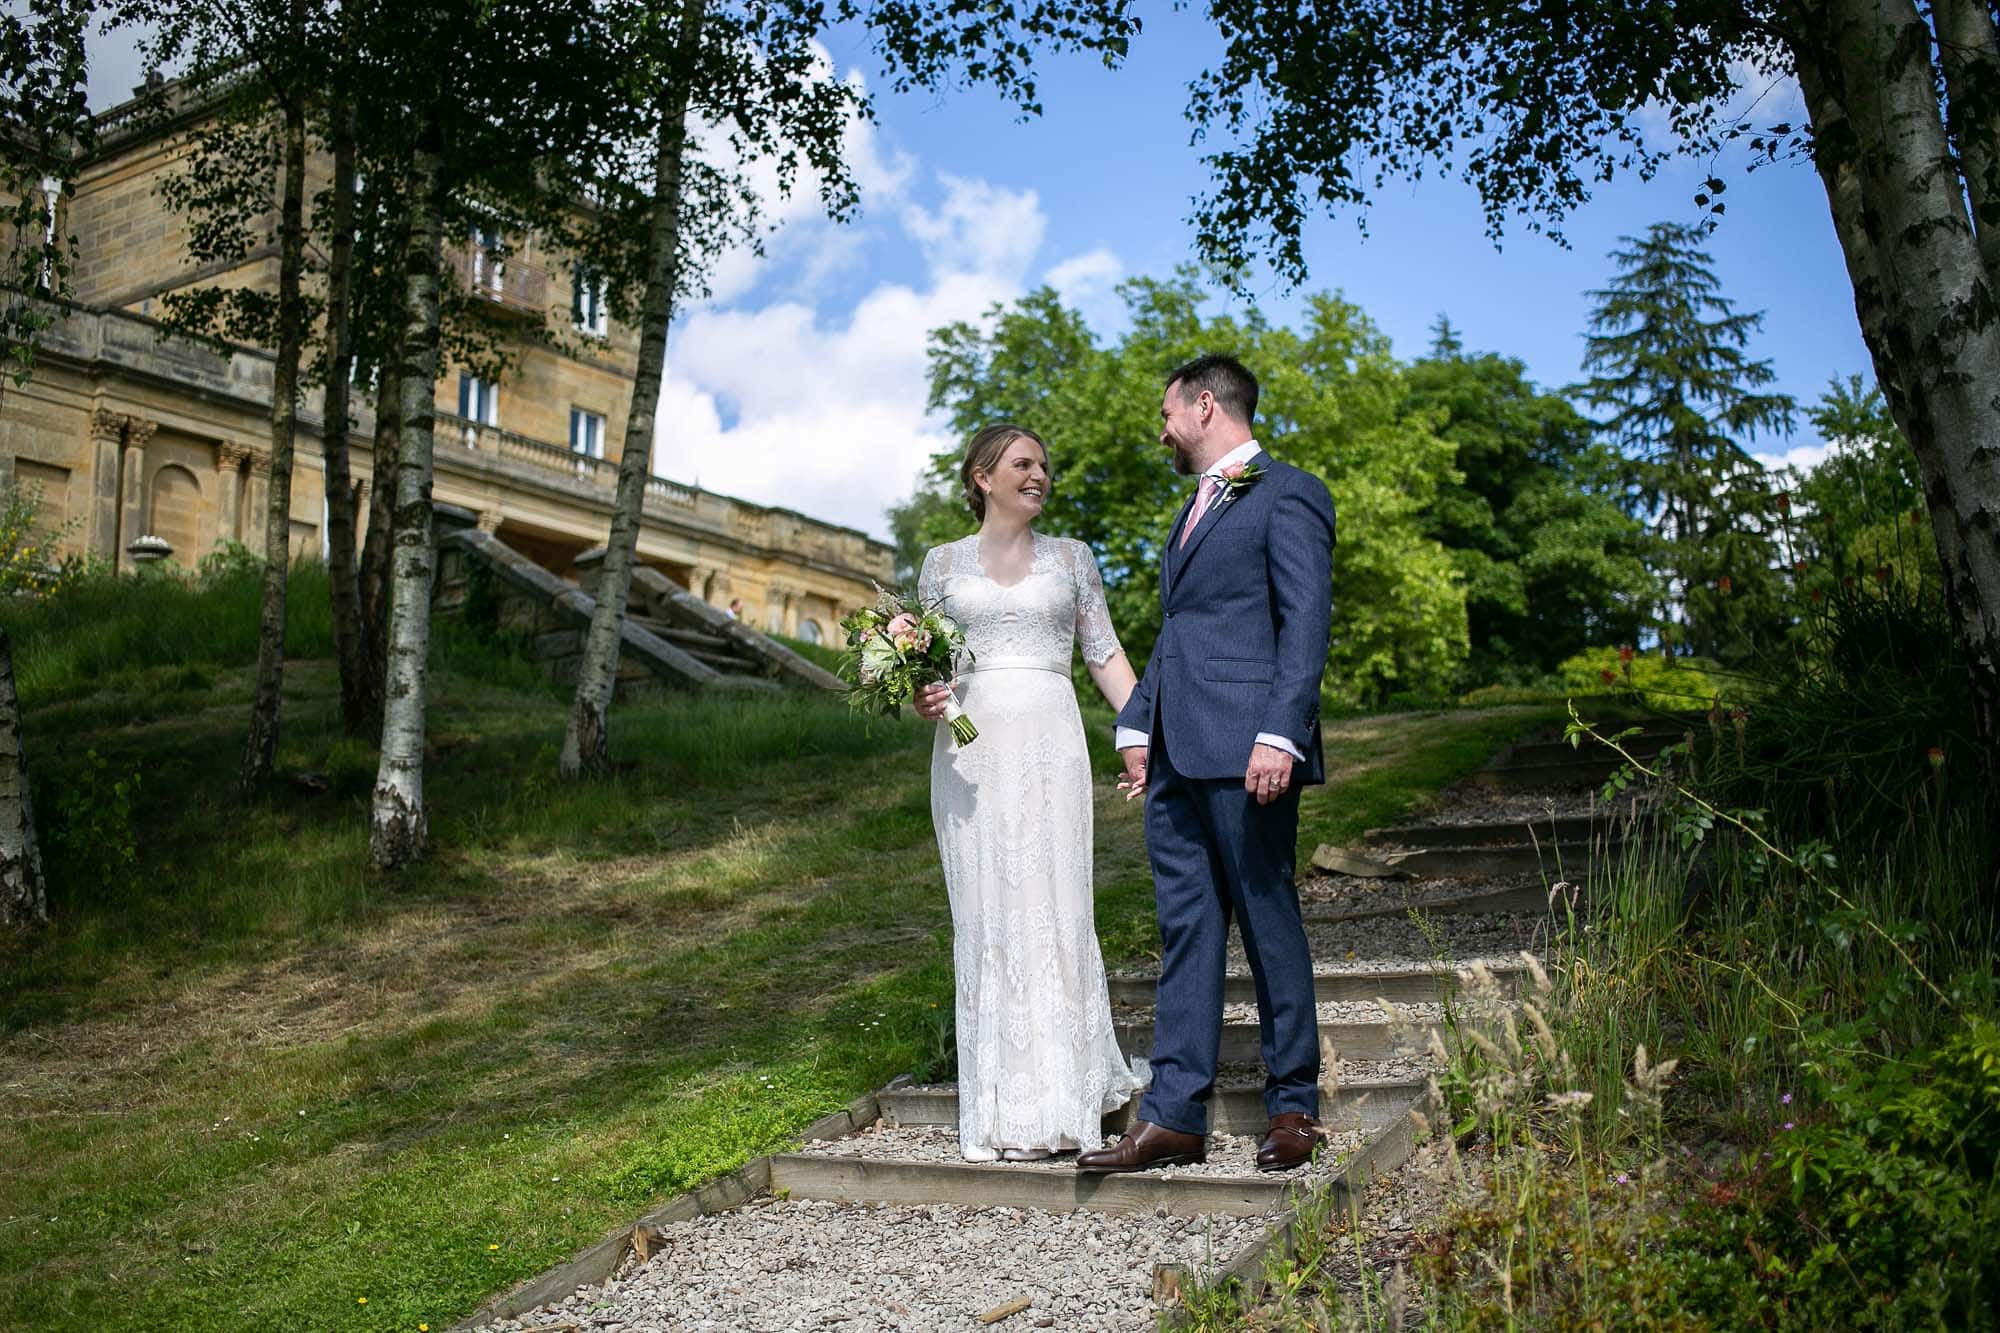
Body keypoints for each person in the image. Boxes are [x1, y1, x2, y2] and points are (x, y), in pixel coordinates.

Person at [1076, 354, 1337, 1176]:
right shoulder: (1189, 512)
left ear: (1203, 404)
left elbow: (1304, 625)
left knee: (1266, 918)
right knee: (1185, 929)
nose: (1161, 431)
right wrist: (1136, 719)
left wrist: (1280, 733)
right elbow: (1185, 630)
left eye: (1167, 415)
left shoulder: (1289, 492)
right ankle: (1174, 1114)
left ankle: (1293, 1102)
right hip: (1179, 758)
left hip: (1250, 748)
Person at [912, 423, 1145, 1162]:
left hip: (1052, 743)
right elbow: (927, 667)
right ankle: (1002, 1108)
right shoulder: (940, 563)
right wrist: (923, 695)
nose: (1039, 473)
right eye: (1023, 462)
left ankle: (1066, 1098)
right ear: (982, 476)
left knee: (1056, 904)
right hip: (971, 755)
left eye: (1044, 463)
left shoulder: (1073, 560)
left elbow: (1103, 653)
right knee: (985, 912)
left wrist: (1142, 734)